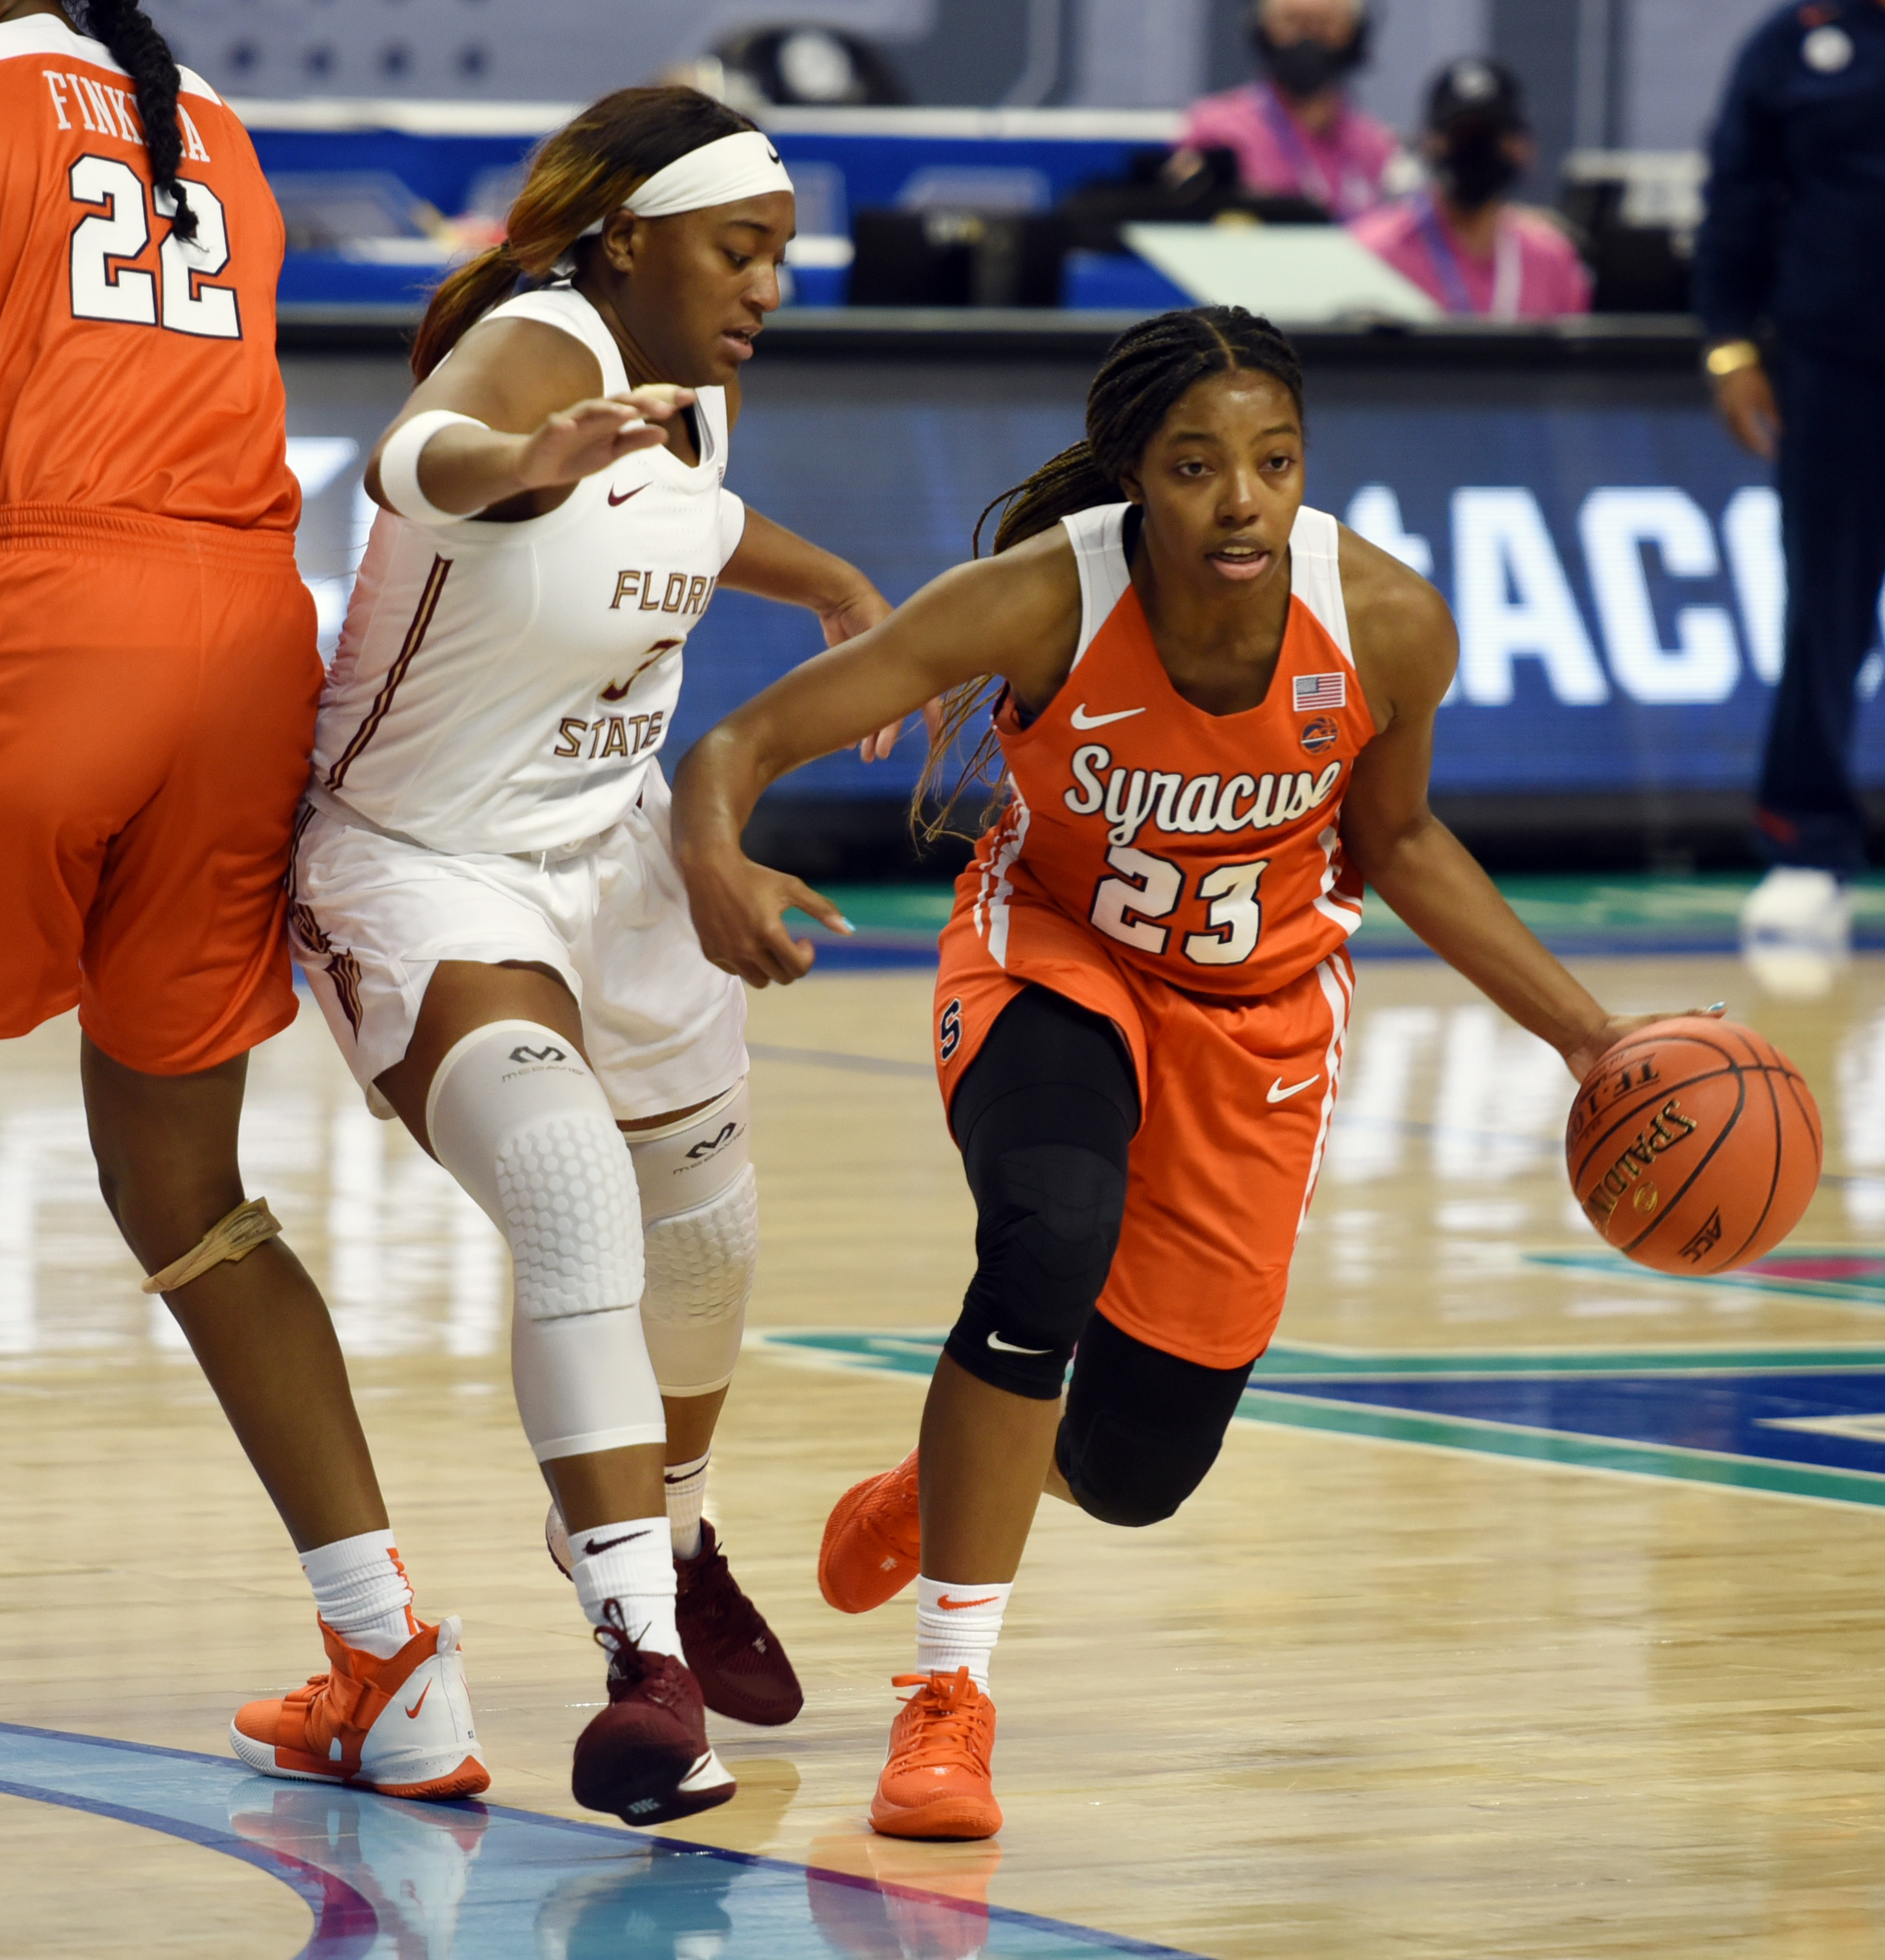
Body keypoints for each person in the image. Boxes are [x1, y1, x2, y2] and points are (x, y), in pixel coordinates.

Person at [668, 305, 1698, 1840]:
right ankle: (948, 1697)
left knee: (1143, 1471)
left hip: (1262, 1008)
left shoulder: (1391, 625)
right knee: (1046, 1235)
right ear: (1136, 478)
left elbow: (1397, 836)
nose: (1242, 499)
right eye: (1200, 464)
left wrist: (1592, 1035)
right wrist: (717, 857)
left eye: (1274, 463)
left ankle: (945, 1478)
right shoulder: (1043, 601)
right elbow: (740, 744)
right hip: (1057, 956)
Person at [272, 85, 901, 1827]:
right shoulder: (535, 346)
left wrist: (834, 581)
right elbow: (425, 455)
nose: (770, 279)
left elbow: (691, 522)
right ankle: (644, 1661)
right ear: (628, 236)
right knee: (569, 1191)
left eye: (779, 250)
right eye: (738, 247)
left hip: (607, 854)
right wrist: (526, 462)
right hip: (424, 865)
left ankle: (665, 1525)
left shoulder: (686, 382)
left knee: (708, 1244)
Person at [0, 0, 487, 1800]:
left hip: (47, 606)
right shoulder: (200, 108)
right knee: (185, 1192)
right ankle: (391, 1654)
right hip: (240, 634)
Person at [1693, 0, 1885, 977]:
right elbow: (1735, 196)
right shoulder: (1791, 43)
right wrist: (1729, 345)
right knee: (1826, 603)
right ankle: (1807, 838)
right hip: (1836, 366)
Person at [1349, 58, 1591, 320]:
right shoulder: (1371, 255)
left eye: (1489, 136)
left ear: (1522, 146)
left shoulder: (1553, 261)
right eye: (1461, 136)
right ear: (1429, 142)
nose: (1476, 149)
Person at [1171, 0, 1399, 221]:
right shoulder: (1218, 130)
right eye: (1293, 22)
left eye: (1324, 24)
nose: (1308, 40)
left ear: (1355, 33)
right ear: (1263, 30)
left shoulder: (1375, 143)